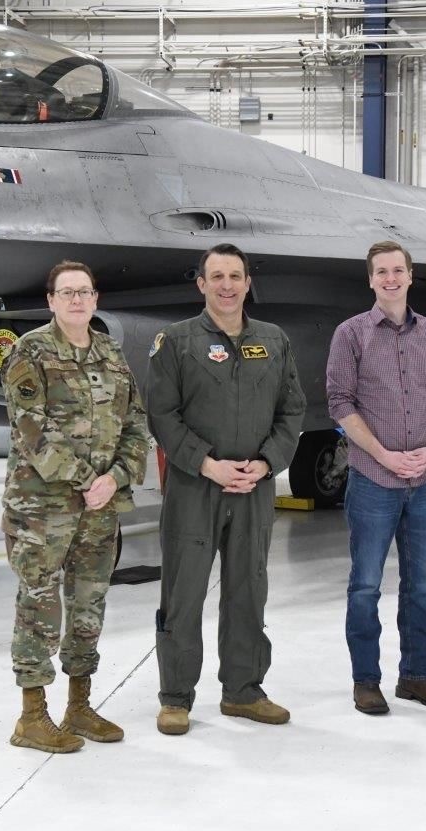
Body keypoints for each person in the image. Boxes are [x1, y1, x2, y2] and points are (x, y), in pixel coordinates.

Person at [145, 243, 306, 736]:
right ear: (201, 284)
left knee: (248, 589)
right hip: (196, 488)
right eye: (217, 276)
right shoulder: (176, 342)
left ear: (248, 281)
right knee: (184, 592)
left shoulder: (273, 341)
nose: (227, 285)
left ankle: (243, 691)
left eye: (235, 276)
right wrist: (206, 465)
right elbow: (162, 415)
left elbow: (292, 411)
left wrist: (265, 465)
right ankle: (175, 697)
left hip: (253, 489)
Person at [1, 260, 149, 753]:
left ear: (95, 298)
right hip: (42, 509)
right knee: (39, 605)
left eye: (84, 292)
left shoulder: (109, 352)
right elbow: (32, 433)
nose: (77, 300)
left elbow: (135, 424)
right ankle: (32, 716)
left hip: (99, 508)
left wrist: (117, 478)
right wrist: (91, 479)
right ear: (51, 301)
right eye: (67, 292)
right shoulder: (31, 352)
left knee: (88, 605)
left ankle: (79, 706)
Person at [326, 240, 426, 715]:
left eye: (397, 270)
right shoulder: (351, 334)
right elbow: (339, 402)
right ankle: (367, 680)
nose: (390, 278)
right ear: (370, 279)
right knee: (365, 585)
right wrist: (384, 454)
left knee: (420, 585)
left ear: (409, 275)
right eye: (381, 271)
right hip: (372, 481)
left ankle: (416, 677)